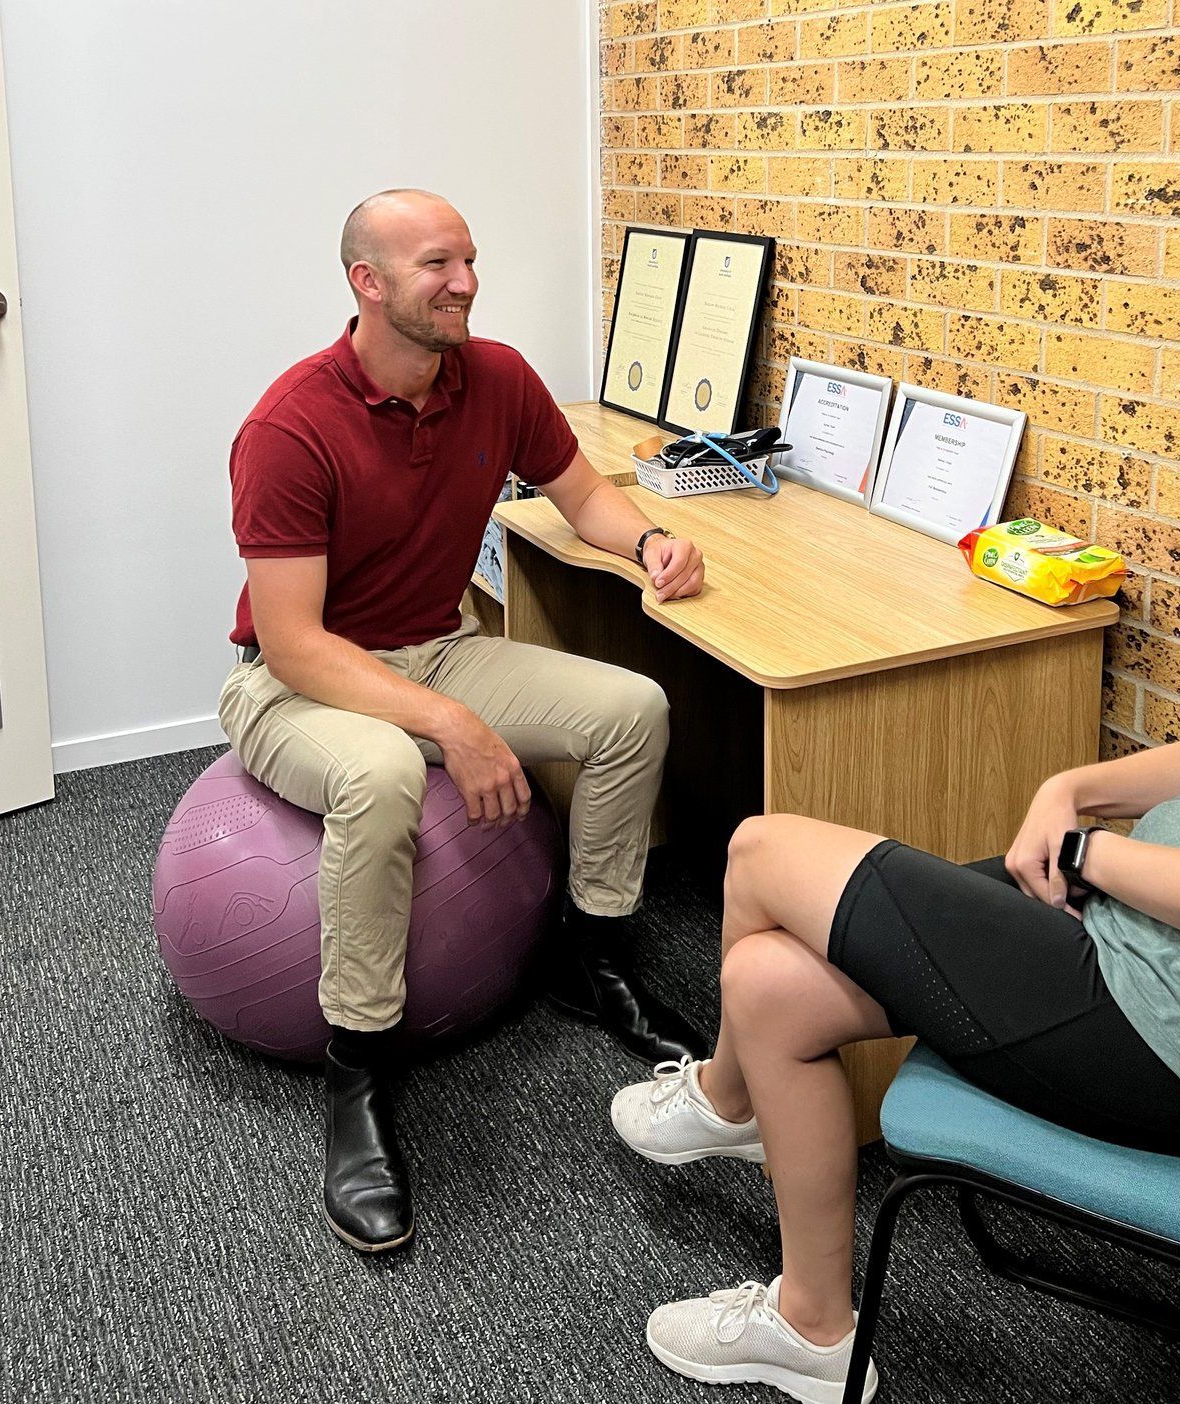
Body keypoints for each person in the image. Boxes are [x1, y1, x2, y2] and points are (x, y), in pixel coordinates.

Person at [610, 373, 1180, 1403]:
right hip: (1142, 945)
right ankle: (813, 1330)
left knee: (761, 851)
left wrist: (1088, 855)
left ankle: (727, 1100)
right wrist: (1079, 785)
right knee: (768, 988)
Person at [219, 189, 707, 1254]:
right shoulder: (289, 426)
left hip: (440, 647)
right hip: (296, 683)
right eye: (439, 264)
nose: (467, 283)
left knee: (633, 709)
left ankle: (594, 954)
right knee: (383, 776)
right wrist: (450, 724)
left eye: (471, 260)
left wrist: (648, 543)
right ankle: (359, 1073)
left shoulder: (497, 378)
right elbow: (295, 643)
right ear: (368, 281)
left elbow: (582, 495)